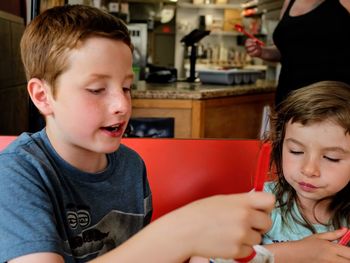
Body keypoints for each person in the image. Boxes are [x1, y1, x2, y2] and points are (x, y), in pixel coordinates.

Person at [0, 5, 275, 263]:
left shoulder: (131, 165)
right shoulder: (17, 172)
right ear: (42, 96)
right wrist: (182, 233)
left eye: (127, 87)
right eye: (97, 89)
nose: (122, 105)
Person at [263, 81, 350, 262]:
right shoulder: (263, 203)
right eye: (296, 151)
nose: (309, 170)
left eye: (331, 157)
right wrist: (297, 253)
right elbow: (207, 257)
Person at [245, 0, 350, 106]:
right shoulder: (289, 2)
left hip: (328, 101)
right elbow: (285, 50)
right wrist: (262, 52)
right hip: (289, 97)